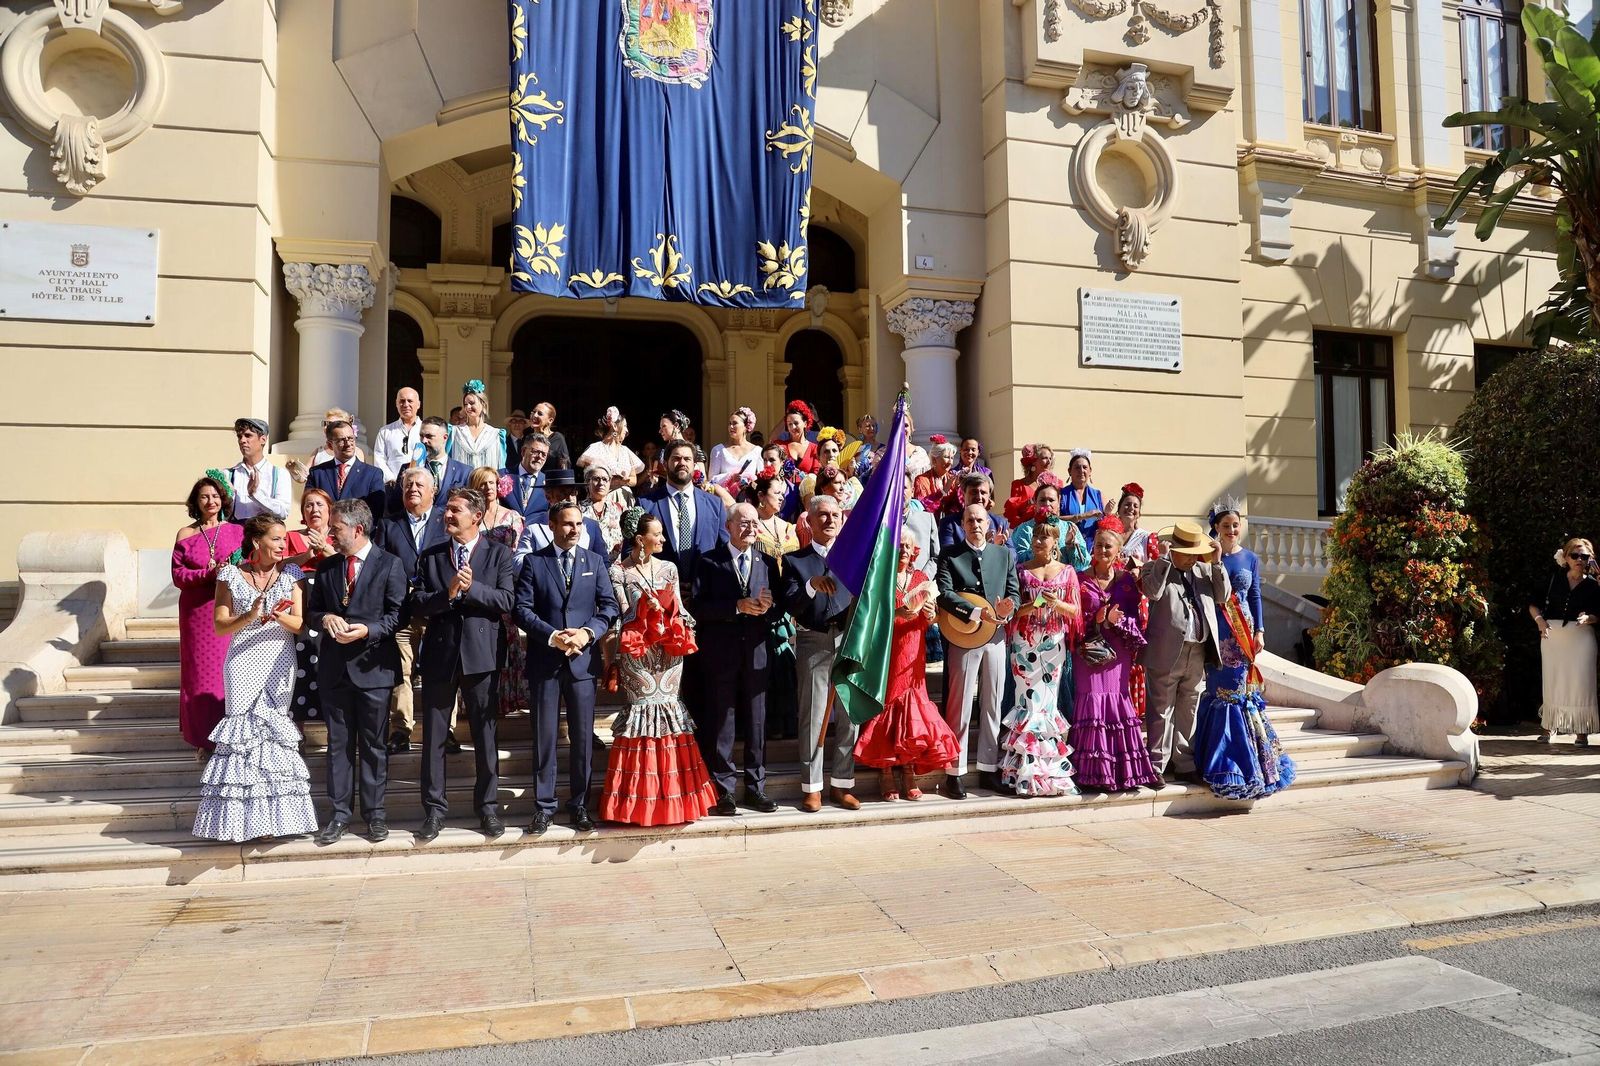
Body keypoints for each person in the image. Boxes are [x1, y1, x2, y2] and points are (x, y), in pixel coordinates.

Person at [192, 515, 320, 842]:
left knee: (273, 734)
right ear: (256, 542)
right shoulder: (230, 575)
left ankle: (274, 822)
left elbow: (300, 624)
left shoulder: (292, 574)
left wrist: (278, 615)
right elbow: (221, 625)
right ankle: (241, 821)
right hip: (242, 660)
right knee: (243, 736)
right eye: (276, 539)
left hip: (280, 659)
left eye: (283, 540)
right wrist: (249, 616)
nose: (282, 545)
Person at [600, 508, 718, 826]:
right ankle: (636, 802)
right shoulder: (618, 571)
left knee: (669, 713)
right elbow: (619, 616)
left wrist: (672, 613)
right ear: (640, 539)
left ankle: (676, 797)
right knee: (642, 716)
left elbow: (681, 610)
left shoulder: (669, 568)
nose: (664, 539)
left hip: (668, 654)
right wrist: (643, 607)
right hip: (637, 653)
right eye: (658, 534)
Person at [411, 488, 517, 841]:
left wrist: (473, 590)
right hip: (441, 655)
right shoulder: (431, 556)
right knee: (434, 738)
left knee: (486, 736)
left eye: (456, 510)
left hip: (482, 654)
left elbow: (507, 599)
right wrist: (449, 594)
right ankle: (434, 810)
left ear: (476, 515)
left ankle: (487, 808)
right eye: (447, 510)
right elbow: (418, 604)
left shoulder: (498, 553)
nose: (448, 516)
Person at [304, 499, 408, 845]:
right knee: (339, 746)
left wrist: (367, 630)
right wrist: (325, 618)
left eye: (335, 528)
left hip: (373, 669)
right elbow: (313, 612)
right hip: (335, 671)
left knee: (374, 746)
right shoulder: (328, 567)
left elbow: (398, 615)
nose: (329, 533)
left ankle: (375, 815)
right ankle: (339, 815)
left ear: (357, 529)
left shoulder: (390, 565)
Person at [514, 499, 620, 834]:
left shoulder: (595, 562)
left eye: (579, 524)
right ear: (552, 525)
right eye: (567, 524)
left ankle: (579, 805)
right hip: (546, 661)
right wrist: (552, 636)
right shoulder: (534, 562)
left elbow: (609, 606)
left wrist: (587, 634)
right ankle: (544, 806)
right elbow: (522, 609)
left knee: (583, 739)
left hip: (582, 662)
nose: (574, 530)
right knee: (544, 737)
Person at [1193, 503, 1295, 799]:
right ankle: (1221, 761)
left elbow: (1255, 595)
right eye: (1226, 526)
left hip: (1244, 633)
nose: (1233, 531)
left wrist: (1260, 631)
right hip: (1218, 631)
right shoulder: (1207, 558)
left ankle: (1251, 762)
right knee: (1221, 692)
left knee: (1242, 693)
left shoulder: (1250, 558)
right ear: (1217, 529)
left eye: (1236, 525)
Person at [854, 533, 962, 801]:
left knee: (913, 706)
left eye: (908, 546)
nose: (904, 550)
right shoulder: (881, 577)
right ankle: (887, 771)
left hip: (914, 650)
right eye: (899, 545)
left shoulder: (921, 580)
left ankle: (909, 768)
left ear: (915, 550)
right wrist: (897, 613)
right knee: (889, 703)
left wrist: (930, 614)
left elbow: (932, 617)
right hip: (886, 649)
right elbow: (868, 616)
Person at [691, 503, 781, 815]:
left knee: (756, 721)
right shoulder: (709, 562)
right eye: (744, 523)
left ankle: (756, 787)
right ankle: (723, 790)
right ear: (729, 526)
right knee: (722, 721)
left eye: (755, 523)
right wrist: (736, 606)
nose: (751, 529)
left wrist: (769, 608)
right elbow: (699, 609)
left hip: (755, 651)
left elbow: (780, 607)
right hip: (721, 652)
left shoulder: (767, 562)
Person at [779, 495, 859, 812]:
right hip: (813, 640)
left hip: (849, 641)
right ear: (809, 522)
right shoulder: (796, 561)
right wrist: (811, 584)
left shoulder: (854, 559)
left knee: (849, 717)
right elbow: (790, 603)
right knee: (812, 716)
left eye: (835, 515)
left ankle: (842, 785)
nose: (829, 520)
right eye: (822, 515)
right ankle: (812, 787)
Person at [936, 504, 1019, 799]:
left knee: (992, 703)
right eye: (969, 519)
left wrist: (1007, 610)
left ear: (988, 522)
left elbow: (1014, 593)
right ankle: (954, 772)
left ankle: (987, 768)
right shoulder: (950, 555)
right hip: (963, 635)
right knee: (959, 706)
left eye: (980, 519)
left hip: (995, 636)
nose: (975, 524)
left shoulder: (1004, 555)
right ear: (962, 524)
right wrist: (974, 612)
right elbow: (945, 594)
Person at [1072, 517, 1161, 792]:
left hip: (1117, 653)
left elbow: (1137, 622)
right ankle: (1092, 773)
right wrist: (1097, 619)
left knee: (1117, 703)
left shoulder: (1127, 583)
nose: (1102, 550)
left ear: (1118, 551)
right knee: (1091, 703)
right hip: (1087, 653)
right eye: (1098, 544)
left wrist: (1114, 621)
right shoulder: (1079, 579)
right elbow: (1073, 619)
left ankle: (1122, 772)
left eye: (1108, 546)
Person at [1140, 519, 1231, 783]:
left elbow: (1223, 596)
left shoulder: (1204, 571)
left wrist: (1216, 562)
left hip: (1198, 649)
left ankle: (1184, 761)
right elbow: (1153, 593)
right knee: (1160, 708)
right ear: (1174, 550)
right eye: (1187, 555)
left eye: (1195, 554)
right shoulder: (1155, 568)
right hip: (1167, 652)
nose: (1192, 559)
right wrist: (1164, 560)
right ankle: (1156, 765)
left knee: (1188, 707)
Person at [999, 522, 1083, 796]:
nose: (1038, 541)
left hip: (1053, 647)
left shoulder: (1068, 573)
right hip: (1025, 646)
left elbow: (1075, 613)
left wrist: (1056, 604)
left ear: (1055, 542)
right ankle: (1023, 770)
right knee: (1027, 704)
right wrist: (1033, 605)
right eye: (1036, 536)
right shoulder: (1021, 572)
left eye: (1045, 537)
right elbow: (1012, 612)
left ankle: (1047, 771)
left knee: (1046, 706)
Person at [172, 473, 245, 755]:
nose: (210, 501)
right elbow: (178, 575)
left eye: (215, 496)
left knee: (226, 674)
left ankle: (229, 736)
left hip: (227, 608)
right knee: (199, 675)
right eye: (204, 496)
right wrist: (209, 573)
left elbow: (246, 568)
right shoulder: (185, 533)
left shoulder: (237, 531)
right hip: (196, 612)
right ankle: (204, 739)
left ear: (222, 499)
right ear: (196, 501)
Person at [376, 469, 446, 753]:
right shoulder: (388, 525)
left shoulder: (447, 520)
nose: (413, 488)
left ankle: (444, 731)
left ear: (433, 491)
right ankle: (401, 730)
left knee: (440, 671)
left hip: (439, 608)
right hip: (402, 611)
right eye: (407, 485)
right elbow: (379, 565)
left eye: (419, 484)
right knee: (401, 671)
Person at [469, 465, 527, 718]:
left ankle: (508, 697)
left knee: (509, 640)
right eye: (482, 483)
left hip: (505, 584)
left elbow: (518, 554)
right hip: (478, 585)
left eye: (492, 483)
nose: (488, 488)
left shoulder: (512, 517)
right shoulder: (470, 518)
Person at [1530, 537, 1600, 745]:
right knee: (1554, 682)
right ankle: (1549, 726)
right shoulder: (1553, 579)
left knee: (1581, 683)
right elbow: (1533, 604)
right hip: (1553, 638)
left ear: (1590, 559)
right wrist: (1539, 621)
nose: (1579, 559)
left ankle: (1582, 731)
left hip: (1581, 638)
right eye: (1575, 555)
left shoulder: (1594, 584)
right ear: (1566, 557)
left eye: (1584, 556)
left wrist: (1590, 618)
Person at [750, 469, 801, 741]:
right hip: (762, 602)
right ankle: (769, 723)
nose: (781, 497)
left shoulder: (789, 527)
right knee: (768, 664)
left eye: (783, 493)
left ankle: (789, 720)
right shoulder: (751, 525)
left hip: (788, 603)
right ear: (761, 496)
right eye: (775, 492)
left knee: (787, 664)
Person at [284, 488, 337, 724]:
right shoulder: (291, 536)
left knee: (329, 661)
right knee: (300, 661)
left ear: (330, 510)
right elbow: (280, 565)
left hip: (331, 603)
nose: (314, 510)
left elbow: (351, 564)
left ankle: (334, 729)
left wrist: (327, 551)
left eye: (319, 505)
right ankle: (297, 732)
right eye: (308, 505)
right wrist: (307, 555)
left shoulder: (339, 535)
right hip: (300, 601)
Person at [639, 440, 728, 580]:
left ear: (694, 465)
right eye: (676, 458)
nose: (682, 463)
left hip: (705, 592)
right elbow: (633, 551)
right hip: (660, 592)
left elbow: (725, 551)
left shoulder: (714, 504)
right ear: (665, 463)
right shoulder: (646, 504)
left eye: (687, 459)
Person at [512, 467, 607, 563]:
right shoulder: (533, 526)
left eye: (573, 493)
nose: (570, 499)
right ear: (548, 497)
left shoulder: (591, 526)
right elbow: (518, 562)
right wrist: (546, 567)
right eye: (563, 493)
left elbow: (603, 562)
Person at [307, 420, 388, 522]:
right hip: (325, 535)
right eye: (341, 440)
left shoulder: (372, 474)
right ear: (330, 445)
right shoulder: (317, 473)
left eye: (351, 438)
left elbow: (376, 512)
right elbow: (309, 506)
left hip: (357, 534)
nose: (348, 444)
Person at [1010, 482, 1088, 569]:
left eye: (1051, 500)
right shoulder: (1025, 529)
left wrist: (1070, 546)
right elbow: (1016, 560)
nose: (1047, 504)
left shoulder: (1069, 528)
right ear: (1035, 503)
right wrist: (1038, 549)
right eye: (1042, 500)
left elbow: (1082, 565)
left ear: (1059, 502)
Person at [226, 417, 291, 521]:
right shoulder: (227, 474)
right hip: (235, 534)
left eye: (248, 435)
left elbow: (283, 512)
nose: (242, 440)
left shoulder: (279, 474)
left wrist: (255, 494)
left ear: (263, 439)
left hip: (264, 534)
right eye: (239, 436)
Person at [448, 379, 513, 472]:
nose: (468, 407)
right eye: (465, 404)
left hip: (486, 485)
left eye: (472, 403)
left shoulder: (496, 434)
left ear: (483, 404)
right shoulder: (454, 432)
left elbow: (501, 467)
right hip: (462, 485)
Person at [937, 473, 1013, 548]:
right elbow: (948, 555)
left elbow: (1013, 555)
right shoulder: (949, 524)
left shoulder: (1000, 523)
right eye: (974, 492)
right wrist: (987, 548)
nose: (979, 497)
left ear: (989, 496)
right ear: (963, 495)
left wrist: (998, 548)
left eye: (983, 493)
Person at [578, 406, 646, 488]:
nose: (627, 430)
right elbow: (588, 477)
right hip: (604, 496)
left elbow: (634, 480)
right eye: (625, 426)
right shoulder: (596, 448)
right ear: (615, 426)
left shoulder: (626, 451)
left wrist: (624, 480)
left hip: (624, 497)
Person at [709, 407, 762, 504]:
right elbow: (711, 481)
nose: (731, 427)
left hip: (748, 502)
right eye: (729, 424)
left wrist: (750, 480)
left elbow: (761, 480)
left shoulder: (757, 451)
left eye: (735, 423)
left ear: (746, 426)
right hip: (724, 501)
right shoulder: (718, 450)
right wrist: (730, 477)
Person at [1003, 444, 1062, 527]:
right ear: (1033, 461)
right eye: (1044, 458)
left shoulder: (1056, 484)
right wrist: (1030, 502)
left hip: (1049, 529)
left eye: (1050, 458)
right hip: (1025, 529)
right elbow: (1012, 512)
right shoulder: (1018, 485)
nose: (1049, 462)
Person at [373, 387, 423, 484]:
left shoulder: (426, 430)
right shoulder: (385, 431)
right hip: (392, 485)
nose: (406, 405)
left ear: (418, 404)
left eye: (410, 401)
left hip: (420, 485)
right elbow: (379, 458)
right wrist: (392, 480)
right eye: (402, 401)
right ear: (396, 404)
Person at [416, 416, 472, 502]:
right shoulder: (411, 468)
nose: (424, 441)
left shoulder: (464, 472)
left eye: (429, 436)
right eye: (421, 436)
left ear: (445, 437)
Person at [580, 464, 627, 561]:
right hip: (588, 563)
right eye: (596, 479)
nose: (601, 483)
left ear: (610, 483)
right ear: (587, 482)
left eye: (605, 479)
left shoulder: (620, 509)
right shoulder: (578, 510)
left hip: (615, 566)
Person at [502, 432, 551, 525]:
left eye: (544, 454)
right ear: (523, 451)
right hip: (505, 532)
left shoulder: (549, 483)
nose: (539, 457)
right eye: (536, 451)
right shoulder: (502, 476)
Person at [302, 407, 366, 473]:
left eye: (331, 424)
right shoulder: (318, 452)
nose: (326, 427)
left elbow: (361, 476)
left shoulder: (356, 452)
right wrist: (296, 471)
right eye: (325, 423)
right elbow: (305, 475)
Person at [1062, 448, 1105, 540]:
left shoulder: (1098, 495)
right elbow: (1055, 520)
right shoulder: (1061, 494)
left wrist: (1107, 513)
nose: (1081, 470)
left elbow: (1104, 522)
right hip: (1066, 546)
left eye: (1085, 467)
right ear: (1069, 471)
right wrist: (1083, 516)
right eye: (1077, 467)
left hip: (1092, 549)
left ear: (1090, 471)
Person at [1116, 483, 1160, 565]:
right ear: (1119, 510)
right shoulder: (1110, 535)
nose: (1131, 508)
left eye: (1135, 506)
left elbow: (1155, 568)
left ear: (1139, 514)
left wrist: (1140, 570)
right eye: (1127, 504)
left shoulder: (1146, 537)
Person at [914, 436, 958, 512]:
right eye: (946, 457)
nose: (950, 462)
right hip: (929, 521)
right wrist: (943, 492)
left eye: (952, 458)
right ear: (934, 460)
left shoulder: (953, 479)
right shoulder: (921, 480)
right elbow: (922, 507)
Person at [778, 400, 821, 474]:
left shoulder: (814, 448)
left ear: (805, 423)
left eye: (796, 423)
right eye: (789, 424)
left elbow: (815, 475)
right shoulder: (782, 446)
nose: (793, 427)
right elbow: (771, 440)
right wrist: (788, 415)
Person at [528, 401, 571, 470]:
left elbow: (564, 465)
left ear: (550, 420)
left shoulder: (557, 438)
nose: (535, 415)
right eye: (533, 412)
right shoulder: (528, 438)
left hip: (549, 479)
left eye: (540, 413)